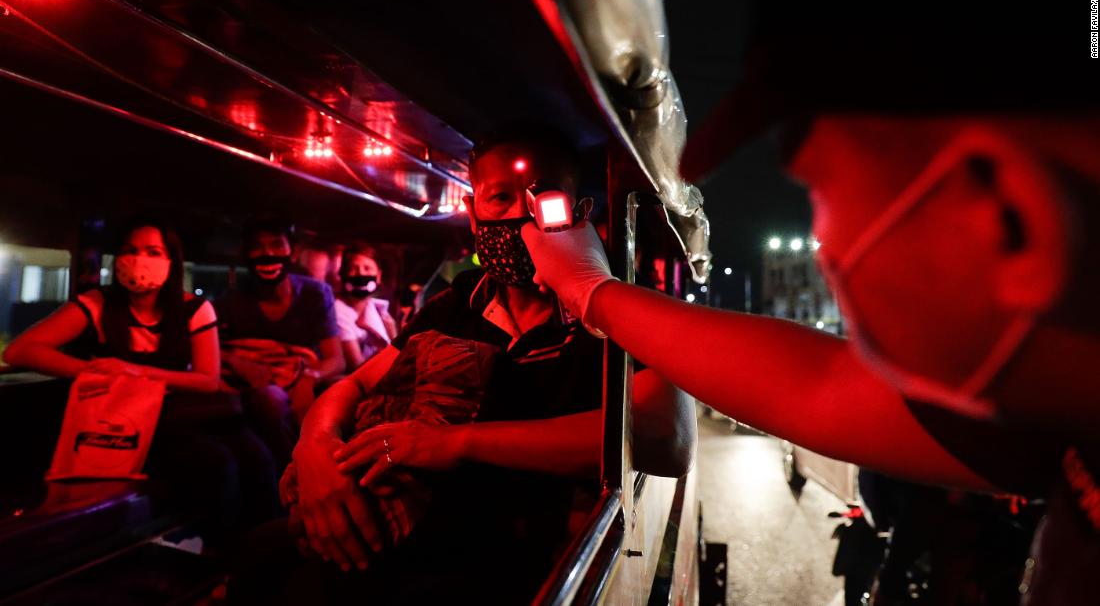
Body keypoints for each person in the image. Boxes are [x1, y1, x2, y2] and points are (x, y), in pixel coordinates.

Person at [521, 92, 1100, 606]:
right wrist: (593, 293)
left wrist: (592, 293)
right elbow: (816, 384)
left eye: (824, 190)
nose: (825, 251)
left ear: (1011, 216)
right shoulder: (1060, 415)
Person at [227, 128, 696, 605]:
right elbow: (355, 384)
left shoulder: (614, 308)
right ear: (474, 214)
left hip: (515, 556)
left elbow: (668, 437)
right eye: (500, 198)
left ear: (579, 212)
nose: (520, 215)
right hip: (423, 530)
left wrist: (457, 444)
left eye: (543, 197)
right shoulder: (458, 302)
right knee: (261, 557)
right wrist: (314, 446)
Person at [3, 217, 279, 541]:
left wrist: (136, 371)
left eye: (153, 251)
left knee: (258, 459)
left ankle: (261, 554)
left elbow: (208, 379)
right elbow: (20, 351)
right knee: (217, 464)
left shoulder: (194, 309)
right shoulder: (98, 303)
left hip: (185, 415)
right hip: (129, 422)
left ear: (171, 261)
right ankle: (218, 562)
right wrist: (94, 371)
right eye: (131, 250)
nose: (139, 260)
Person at [216, 217, 345, 471]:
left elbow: (336, 359)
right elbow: (213, 352)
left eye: (276, 245)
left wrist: (309, 376)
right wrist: (238, 362)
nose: (267, 254)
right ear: (246, 255)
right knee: (270, 399)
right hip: (257, 390)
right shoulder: (230, 302)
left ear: (293, 252)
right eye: (257, 247)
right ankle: (295, 476)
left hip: (304, 384)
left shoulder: (315, 294)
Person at [333, 245, 397, 371]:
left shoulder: (378, 310)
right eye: (353, 268)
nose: (361, 273)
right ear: (343, 274)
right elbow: (356, 367)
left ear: (378, 276)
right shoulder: (337, 311)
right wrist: (389, 345)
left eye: (367, 268)